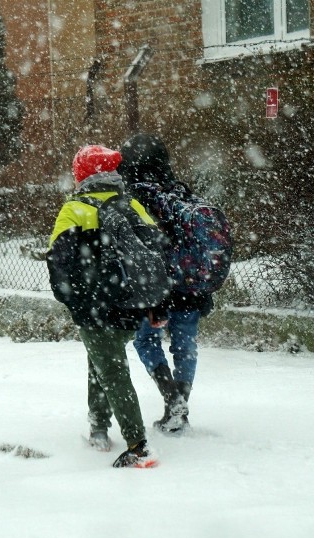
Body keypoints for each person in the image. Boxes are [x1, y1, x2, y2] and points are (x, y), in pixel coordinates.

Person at [46, 144, 177, 468]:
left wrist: (71, 299)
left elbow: (57, 261)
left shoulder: (74, 209)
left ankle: (138, 445)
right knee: (101, 364)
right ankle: (98, 427)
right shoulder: (131, 204)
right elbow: (158, 254)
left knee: (113, 371)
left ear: (81, 174)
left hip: (94, 308)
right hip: (130, 307)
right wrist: (154, 304)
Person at [118, 133, 214, 435]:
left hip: (156, 285)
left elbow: (136, 246)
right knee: (185, 345)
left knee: (146, 340)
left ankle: (172, 399)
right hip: (191, 285)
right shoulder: (182, 193)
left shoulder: (135, 195)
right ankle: (181, 406)